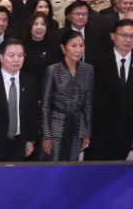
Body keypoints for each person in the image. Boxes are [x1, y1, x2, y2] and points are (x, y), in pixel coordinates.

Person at [84, 19, 133, 161]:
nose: (128, 40)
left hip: (127, 129)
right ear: (113, 36)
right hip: (99, 128)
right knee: (93, 168)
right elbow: (88, 96)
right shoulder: (96, 60)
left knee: (118, 167)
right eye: (124, 35)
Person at [0, 38, 39, 162]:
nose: (16, 59)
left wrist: (30, 140)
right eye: (11, 55)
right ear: (1, 57)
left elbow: (31, 114)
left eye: (20, 55)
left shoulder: (29, 82)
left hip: (19, 142)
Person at [40, 29, 94, 162]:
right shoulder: (53, 70)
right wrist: (46, 136)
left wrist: (87, 132)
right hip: (56, 126)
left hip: (77, 125)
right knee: (53, 164)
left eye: (81, 45)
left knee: (72, 164)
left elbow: (88, 104)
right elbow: (45, 106)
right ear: (63, 48)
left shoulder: (88, 69)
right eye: (73, 46)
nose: (78, 50)